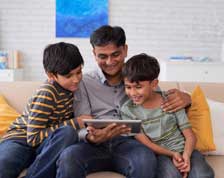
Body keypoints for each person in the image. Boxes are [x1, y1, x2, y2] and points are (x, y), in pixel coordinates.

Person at [56, 25, 192, 178]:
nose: (110, 61)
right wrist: (90, 137)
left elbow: (159, 103)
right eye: (102, 56)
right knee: (68, 157)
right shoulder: (84, 82)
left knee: (144, 159)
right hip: (94, 145)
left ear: (125, 50)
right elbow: (83, 123)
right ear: (94, 54)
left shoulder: (141, 75)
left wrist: (187, 98)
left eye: (115, 54)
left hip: (130, 144)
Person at [0, 42, 88, 178]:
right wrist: (76, 122)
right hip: (20, 139)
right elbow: (33, 138)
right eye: (69, 76)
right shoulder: (47, 92)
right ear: (51, 75)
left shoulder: (72, 90)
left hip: (46, 145)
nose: (76, 79)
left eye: (79, 72)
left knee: (67, 133)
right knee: (3, 166)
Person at [120, 53, 214, 178]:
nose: (132, 93)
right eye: (128, 87)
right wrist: (173, 154)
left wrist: (185, 155)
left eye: (138, 87)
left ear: (154, 84)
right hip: (161, 155)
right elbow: (147, 143)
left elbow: (190, 136)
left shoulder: (170, 100)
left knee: (201, 175)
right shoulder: (128, 110)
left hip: (187, 150)